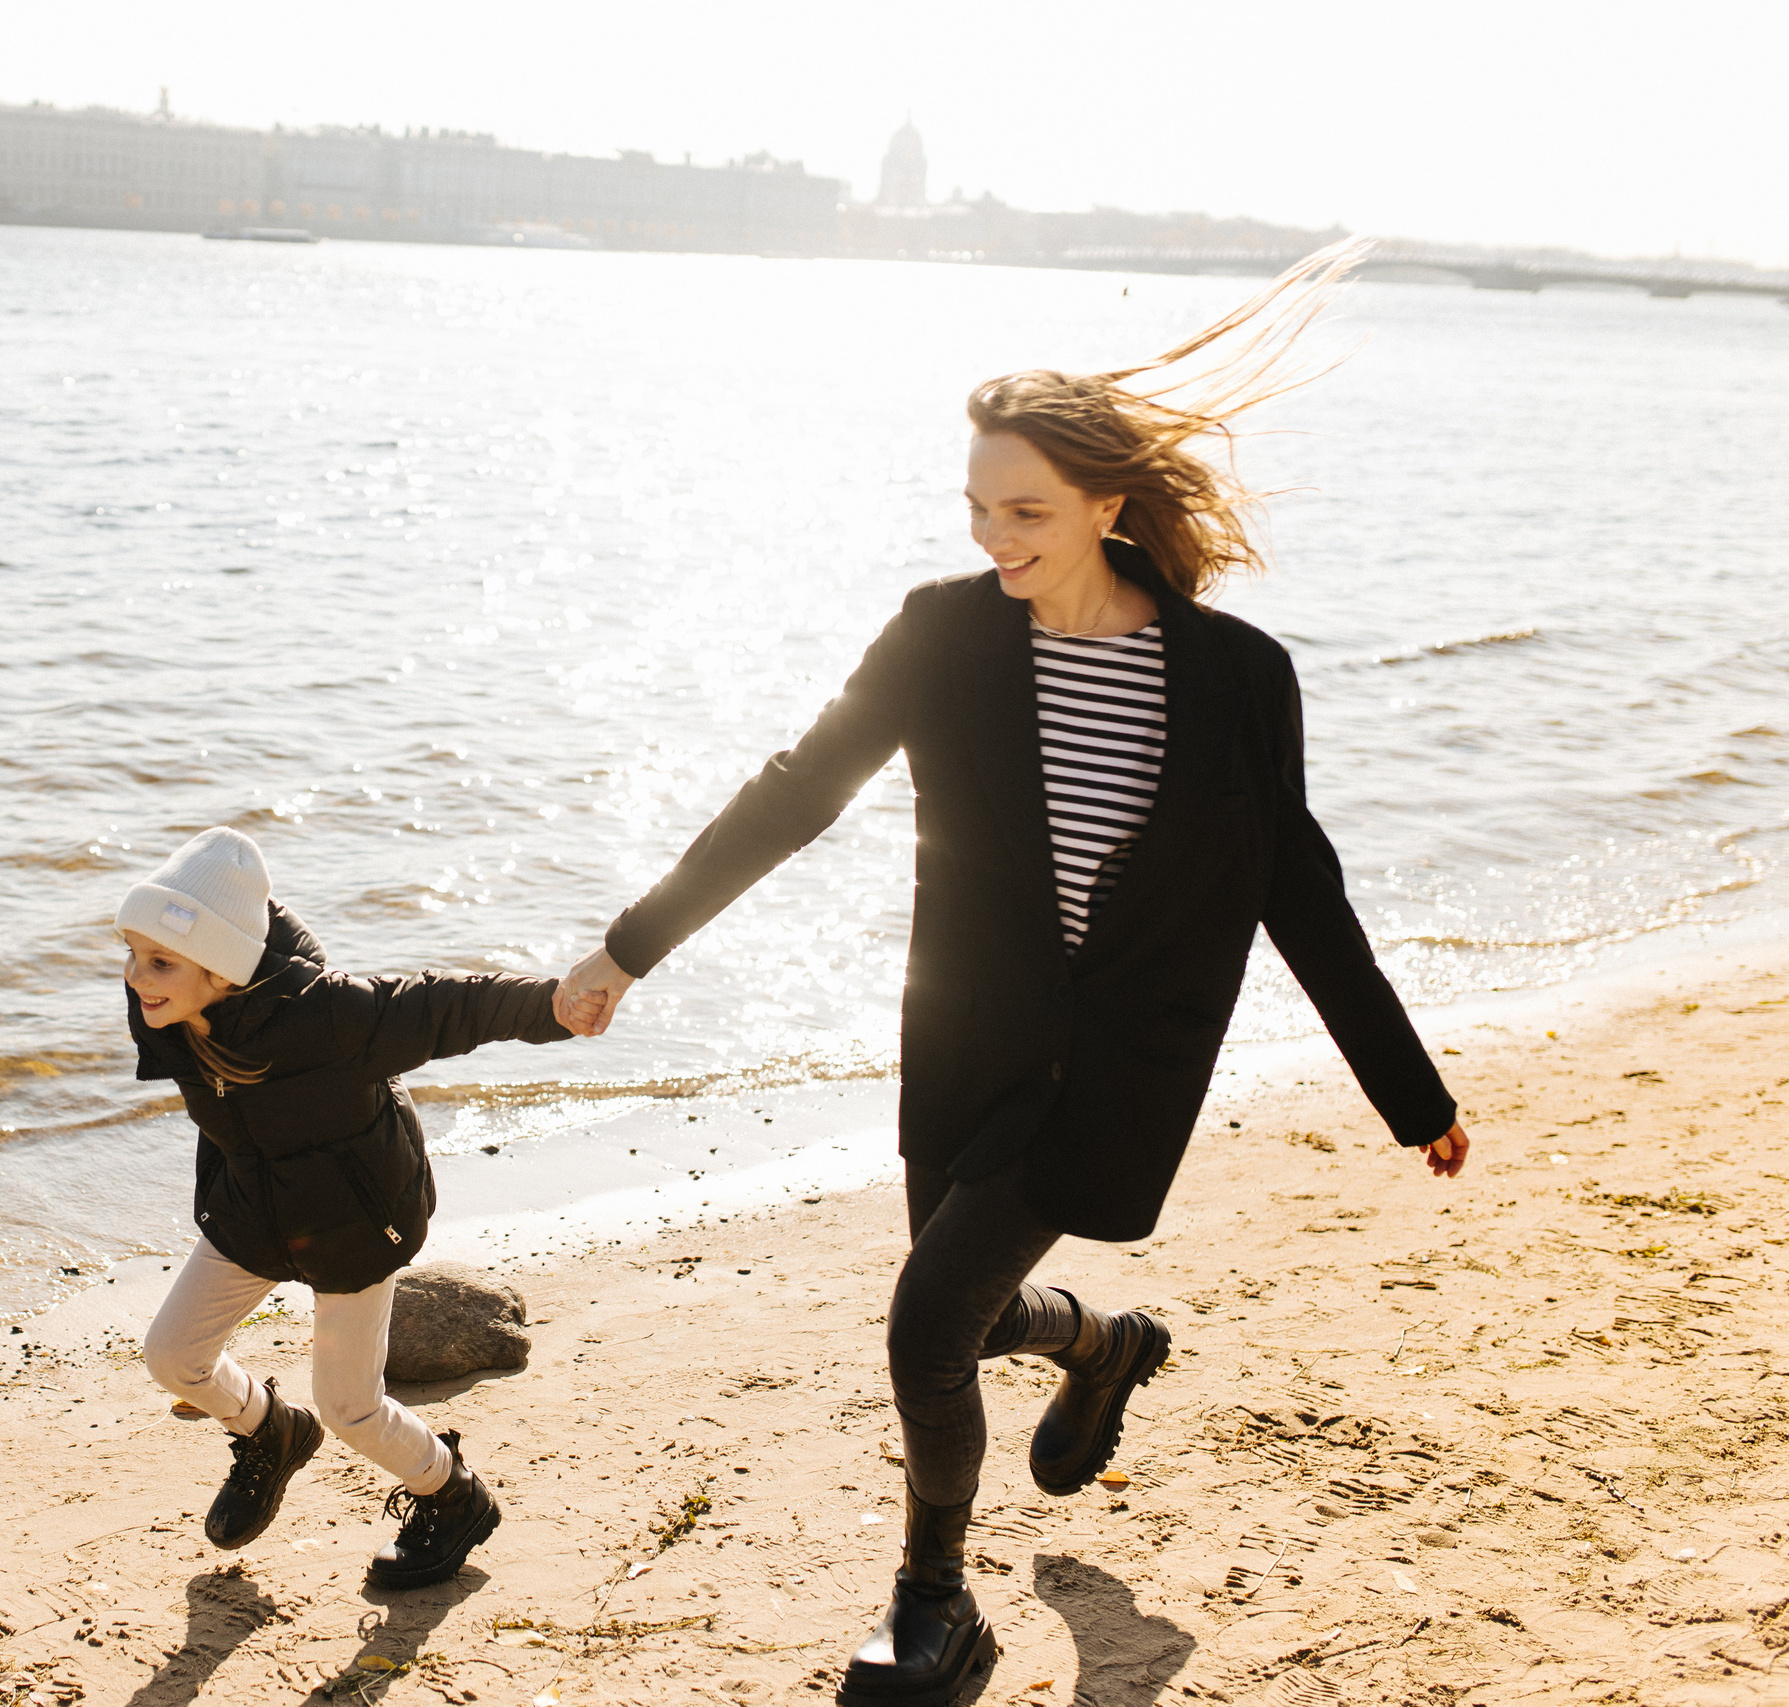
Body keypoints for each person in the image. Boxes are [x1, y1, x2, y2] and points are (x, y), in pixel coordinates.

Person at [553, 243, 1472, 1703]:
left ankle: (935, 1602)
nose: (997, 536)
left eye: (1028, 510)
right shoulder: (942, 633)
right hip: (967, 1045)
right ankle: (1105, 1345)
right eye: (978, 506)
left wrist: (1409, 1090)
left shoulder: (1238, 676)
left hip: (1119, 1072)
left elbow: (1298, 884)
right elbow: (798, 791)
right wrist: (626, 947)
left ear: (1111, 505)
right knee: (963, 1311)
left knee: (924, 1321)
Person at [121, 826, 593, 1588]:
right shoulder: (170, 996)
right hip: (253, 1209)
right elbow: (240, 915)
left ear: (222, 966)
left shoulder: (330, 1017)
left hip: (351, 1223)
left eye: (161, 960)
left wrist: (556, 1006)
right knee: (172, 1357)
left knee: (350, 1408)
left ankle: (454, 1494)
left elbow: (447, 1005)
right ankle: (271, 1431)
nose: (138, 978)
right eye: (133, 952)